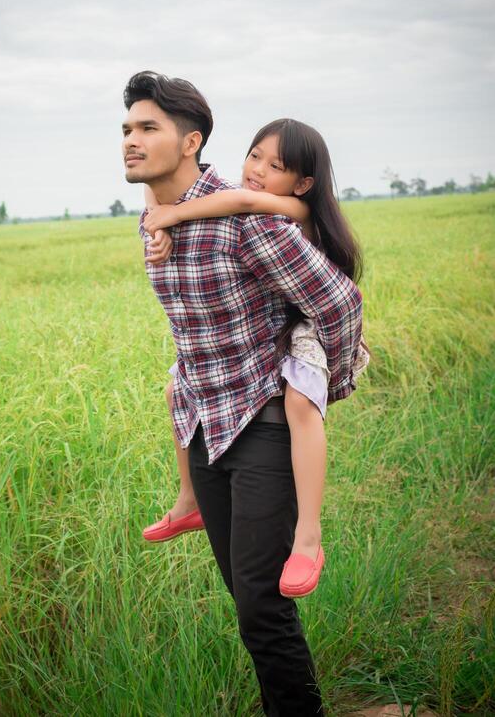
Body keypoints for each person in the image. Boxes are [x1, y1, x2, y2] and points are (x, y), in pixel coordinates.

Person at [123, 71, 364, 717]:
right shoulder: (154, 223)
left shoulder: (245, 218)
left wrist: (313, 386)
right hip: (205, 427)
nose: (131, 140)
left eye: (148, 128)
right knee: (249, 602)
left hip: (263, 423)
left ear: (191, 141)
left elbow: (339, 300)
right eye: (126, 129)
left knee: (262, 605)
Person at [140, 119, 369, 599]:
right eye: (253, 156)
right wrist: (155, 215)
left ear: (303, 182)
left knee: (301, 405)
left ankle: (309, 535)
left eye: (276, 165)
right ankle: (188, 499)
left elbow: (239, 203)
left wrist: (169, 217)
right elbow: (159, 192)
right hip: (274, 316)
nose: (258, 170)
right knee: (175, 388)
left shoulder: (286, 206)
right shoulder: (260, 193)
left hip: (303, 320)